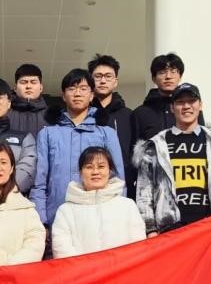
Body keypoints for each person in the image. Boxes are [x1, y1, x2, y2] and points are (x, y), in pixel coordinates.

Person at [133, 82, 211, 236]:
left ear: (200, 105)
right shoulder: (155, 144)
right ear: (172, 108)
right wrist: (150, 229)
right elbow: (144, 191)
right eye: (180, 102)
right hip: (169, 229)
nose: (186, 106)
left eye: (191, 101)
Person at [29, 69, 125, 230]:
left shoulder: (106, 133)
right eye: (72, 88)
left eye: (83, 88)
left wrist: (117, 217)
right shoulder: (48, 134)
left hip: (99, 218)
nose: (77, 93)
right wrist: (42, 221)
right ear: (63, 95)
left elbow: (117, 180)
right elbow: (39, 182)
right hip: (57, 217)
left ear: (92, 95)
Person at [51, 146, 145, 258]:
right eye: (89, 167)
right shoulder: (65, 211)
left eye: (101, 166)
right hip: (82, 269)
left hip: (123, 268)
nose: (95, 172)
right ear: (81, 172)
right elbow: (62, 250)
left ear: (110, 171)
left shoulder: (127, 206)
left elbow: (138, 246)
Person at [88, 54, 136, 195]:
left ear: (115, 82)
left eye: (108, 76)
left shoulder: (129, 115)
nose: (103, 81)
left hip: (121, 187)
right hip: (88, 186)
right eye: (98, 76)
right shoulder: (84, 115)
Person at [132, 51, 188, 143]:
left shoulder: (190, 109)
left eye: (173, 71)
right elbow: (134, 147)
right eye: (162, 72)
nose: (168, 76)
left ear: (180, 76)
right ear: (154, 79)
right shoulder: (140, 113)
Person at [9, 63, 55, 136]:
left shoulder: (53, 116)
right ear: (15, 88)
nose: (28, 86)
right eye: (23, 82)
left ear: (41, 88)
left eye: (33, 82)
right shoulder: (4, 113)